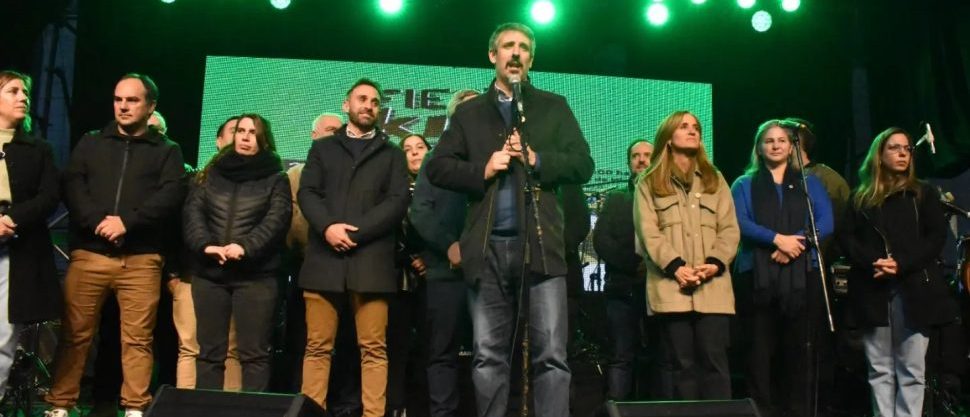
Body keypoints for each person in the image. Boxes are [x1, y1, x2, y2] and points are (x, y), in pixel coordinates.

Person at [425, 22, 594, 417]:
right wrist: (482, 169)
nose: (515, 53)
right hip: (487, 250)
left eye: (523, 47)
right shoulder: (469, 113)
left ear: (531, 59)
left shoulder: (553, 106)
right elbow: (438, 167)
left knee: (552, 356)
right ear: (493, 56)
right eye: (507, 46)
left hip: (542, 246)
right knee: (488, 356)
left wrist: (537, 159)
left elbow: (583, 164)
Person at [46, 73, 186, 417]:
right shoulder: (92, 142)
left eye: (132, 100)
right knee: (75, 334)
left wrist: (127, 222)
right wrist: (99, 221)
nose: (123, 106)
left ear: (150, 106)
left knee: (137, 339)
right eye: (118, 99)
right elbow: (73, 184)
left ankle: (135, 406)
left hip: (140, 258)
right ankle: (61, 403)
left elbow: (170, 195)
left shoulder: (167, 150)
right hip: (90, 254)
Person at [298, 78, 409, 417]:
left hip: (371, 262)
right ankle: (311, 413)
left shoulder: (392, 153)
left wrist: (355, 234)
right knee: (317, 347)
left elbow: (397, 202)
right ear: (346, 105)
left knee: (373, 349)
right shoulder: (323, 148)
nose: (368, 106)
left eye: (375, 102)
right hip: (324, 259)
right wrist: (328, 228)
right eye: (362, 99)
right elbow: (307, 193)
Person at [840, 127, 956, 417]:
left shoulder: (923, 193)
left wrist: (900, 263)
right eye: (895, 148)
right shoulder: (860, 198)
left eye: (907, 148)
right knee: (879, 368)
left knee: (912, 368)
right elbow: (847, 239)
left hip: (915, 289)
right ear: (879, 155)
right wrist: (875, 262)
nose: (903, 153)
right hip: (873, 289)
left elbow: (935, 238)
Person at [730, 120, 834, 417]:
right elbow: (740, 222)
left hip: (802, 275)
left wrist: (795, 245)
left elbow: (826, 222)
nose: (775, 145)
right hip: (756, 276)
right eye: (769, 141)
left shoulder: (809, 183)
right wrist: (777, 240)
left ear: (791, 148)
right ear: (759, 148)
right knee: (759, 353)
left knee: (798, 350)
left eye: (782, 140)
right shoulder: (743, 184)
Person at [633, 110, 739, 401]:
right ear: (668, 137)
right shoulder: (649, 182)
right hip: (671, 288)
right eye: (683, 126)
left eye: (696, 127)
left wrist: (714, 264)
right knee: (682, 367)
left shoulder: (715, 179)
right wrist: (676, 267)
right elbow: (648, 233)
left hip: (713, 288)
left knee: (715, 364)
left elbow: (730, 229)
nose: (692, 131)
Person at [182, 113, 290, 391]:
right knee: (209, 353)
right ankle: (208, 409)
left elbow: (277, 220)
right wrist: (206, 245)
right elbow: (193, 213)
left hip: (256, 277)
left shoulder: (276, 177)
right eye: (241, 131)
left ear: (263, 139)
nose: (245, 137)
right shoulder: (212, 171)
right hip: (210, 273)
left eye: (252, 132)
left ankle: (253, 409)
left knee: (254, 354)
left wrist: (245, 247)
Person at [409, 90, 478, 417]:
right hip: (443, 271)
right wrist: (449, 244)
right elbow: (421, 211)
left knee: (491, 354)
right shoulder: (434, 159)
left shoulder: (495, 158)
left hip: (488, 273)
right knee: (442, 353)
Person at [168, 115, 243, 390]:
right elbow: (176, 226)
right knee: (190, 346)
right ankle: (188, 406)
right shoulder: (194, 181)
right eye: (234, 130)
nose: (240, 136)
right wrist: (173, 272)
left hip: (238, 277)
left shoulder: (261, 184)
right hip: (193, 274)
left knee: (232, 350)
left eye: (246, 131)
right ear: (218, 140)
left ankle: (230, 408)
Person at [0, 70, 61, 403]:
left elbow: (49, 195)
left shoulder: (38, 149)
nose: (23, 97)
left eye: (25, 91)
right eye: (13, 91)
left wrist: (12, 219)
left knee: (3, 335)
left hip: (17, 249)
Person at [593, 139, 652, 401]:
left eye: (647, 155)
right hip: (622, 288)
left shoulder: (667, 195)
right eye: (636, 156)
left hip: (658, 289)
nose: (641, 160)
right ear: (629, 162)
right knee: (621, 355)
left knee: (660, 355)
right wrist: (632, 264)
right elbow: (601, 239)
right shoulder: (617, 198)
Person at [386, 133, 432, 416]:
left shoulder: (443, 186)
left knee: (430, 350)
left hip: (435, 277)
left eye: (420, 147)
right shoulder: (393, 189)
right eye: (407, 149)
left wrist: (430, 257)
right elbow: (388, 227)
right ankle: (395, 408)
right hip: (398, 279)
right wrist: (410, 257)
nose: (414, 153)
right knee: (396, 349)